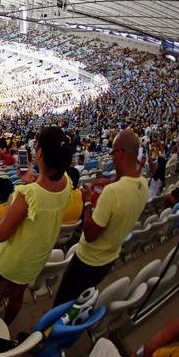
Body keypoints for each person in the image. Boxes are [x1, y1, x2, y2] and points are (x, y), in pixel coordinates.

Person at [0, 126, 73, 324]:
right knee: (16, 296)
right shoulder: (68, 182)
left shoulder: (26, 194)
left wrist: (18, 194)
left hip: (8, 261)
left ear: (39, 152)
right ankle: (6, 326)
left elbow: (3, 234)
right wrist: (33, 180)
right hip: (33, 261)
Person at [52, 128, 149, 306]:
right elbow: (125, 185)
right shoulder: (143, 184)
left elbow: (89, 234)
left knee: (62, 305)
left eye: (113, 152)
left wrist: (88, 202)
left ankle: (50, 333)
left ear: (120, 153)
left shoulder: (113, 193)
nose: (111, 156)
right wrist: (110, 181)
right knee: (79, 303)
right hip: (108, 259)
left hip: (87, 261)